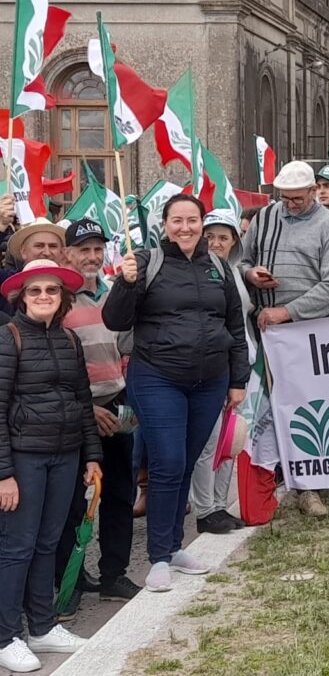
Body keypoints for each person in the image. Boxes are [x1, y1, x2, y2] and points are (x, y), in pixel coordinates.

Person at [103, 194, 249, 591]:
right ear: (164, 224)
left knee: (184, 461)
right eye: (176, 220)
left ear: (203, 224)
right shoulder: (147, 263)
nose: (185, 228)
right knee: (166, 461)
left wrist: (238, 381)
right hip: (157, 377)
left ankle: (174, 546)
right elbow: (114, 319)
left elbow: (235, 328)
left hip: (210, 380)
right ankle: (159, 558)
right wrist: (126, 283)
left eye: (192, 220)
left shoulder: (218, 266)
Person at [0, 259, 101, 671]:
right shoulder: (7, 339)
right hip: (23, 459)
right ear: (21, 297)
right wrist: (3, 474)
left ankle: (42, 626)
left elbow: (82, 402)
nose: (44, 296)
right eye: (35, 291)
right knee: (16, 547)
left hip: (67, 454)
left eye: (52, 290)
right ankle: (7, 635)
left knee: (47, 542)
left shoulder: (70, 340)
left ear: (63, 298)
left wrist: (92, 455)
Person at [239, 161, 329, 518]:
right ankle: (270, 482)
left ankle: (310, 485)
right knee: (267, 409)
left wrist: (288, 312)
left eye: (297, 199)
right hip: (267, 332)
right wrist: (251, 274)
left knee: (307, 409)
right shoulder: (266, 218)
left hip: (308, 334)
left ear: (314, 192)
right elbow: (240, 259)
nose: (290, 205)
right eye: (284, 198)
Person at [54, 221, 140, 621]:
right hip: (78, 411)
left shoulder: (112, 295)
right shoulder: (58, 299)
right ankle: (68, 583)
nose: (91, 257)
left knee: (120, 494)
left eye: (97, 249)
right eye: (83, 249)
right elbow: (54, 366)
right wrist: (87, 407)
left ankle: (114, 576)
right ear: (67, 254)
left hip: (117, 405)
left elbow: (124, 348)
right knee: (71, 503)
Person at [188, 210, 255, 534]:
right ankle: (204, 508)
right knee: (208, 441)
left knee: (233, 439)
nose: (215, 243)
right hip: (211, 367)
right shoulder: (196, 274)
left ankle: (219, 504)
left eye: (223, 238)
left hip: (242, 365)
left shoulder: (240, 275)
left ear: (234, 243)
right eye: (209, 236)